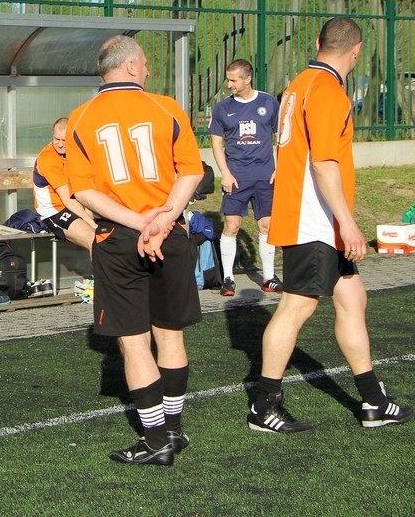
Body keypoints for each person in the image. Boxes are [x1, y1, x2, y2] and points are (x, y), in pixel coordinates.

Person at [247, 17, 415, 434]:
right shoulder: (327, 90)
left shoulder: (299, 84)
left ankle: (373, 402)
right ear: (356, 52)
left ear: (319, 42)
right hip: (314, 220)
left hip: (312, 216)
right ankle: (264, 406)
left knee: (353, 298)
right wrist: (348, 223)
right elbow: (323, 164)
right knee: (297, 306)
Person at [66, 35, 205, 466]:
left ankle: (156, 439)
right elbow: (192, 171)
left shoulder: (80, 117)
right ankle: (173, 430)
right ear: (129, 66)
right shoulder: (167, 107)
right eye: (143, 63)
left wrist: (139, 222)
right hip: (170, 231)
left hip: (119, 236)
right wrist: (162, 219)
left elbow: (83, 191)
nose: (146, 69)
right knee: (170, 334)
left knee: (133, 342)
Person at [209, 59, 283, 296]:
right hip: (236, 178)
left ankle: (269, 278)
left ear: (247, 79)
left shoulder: (269, 103)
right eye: (228, 79)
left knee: (267, 225)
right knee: (232, 225)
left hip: (265, 177)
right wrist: (225, 173)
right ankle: (228, 279)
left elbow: (281, 138)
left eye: (233, 80)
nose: (229, 85)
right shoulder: (222, 108)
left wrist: (279, 167)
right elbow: (216, 143)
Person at [32, 117, 96, 252]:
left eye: (64, 140)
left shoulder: (77, 153)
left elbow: (87, 185)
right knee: (93, 239)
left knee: (115, 236)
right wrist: (91, 223)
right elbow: (66, 198)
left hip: (76, 204)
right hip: (55, 211)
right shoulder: (48, 158)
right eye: (57, 139)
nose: (60, 144)